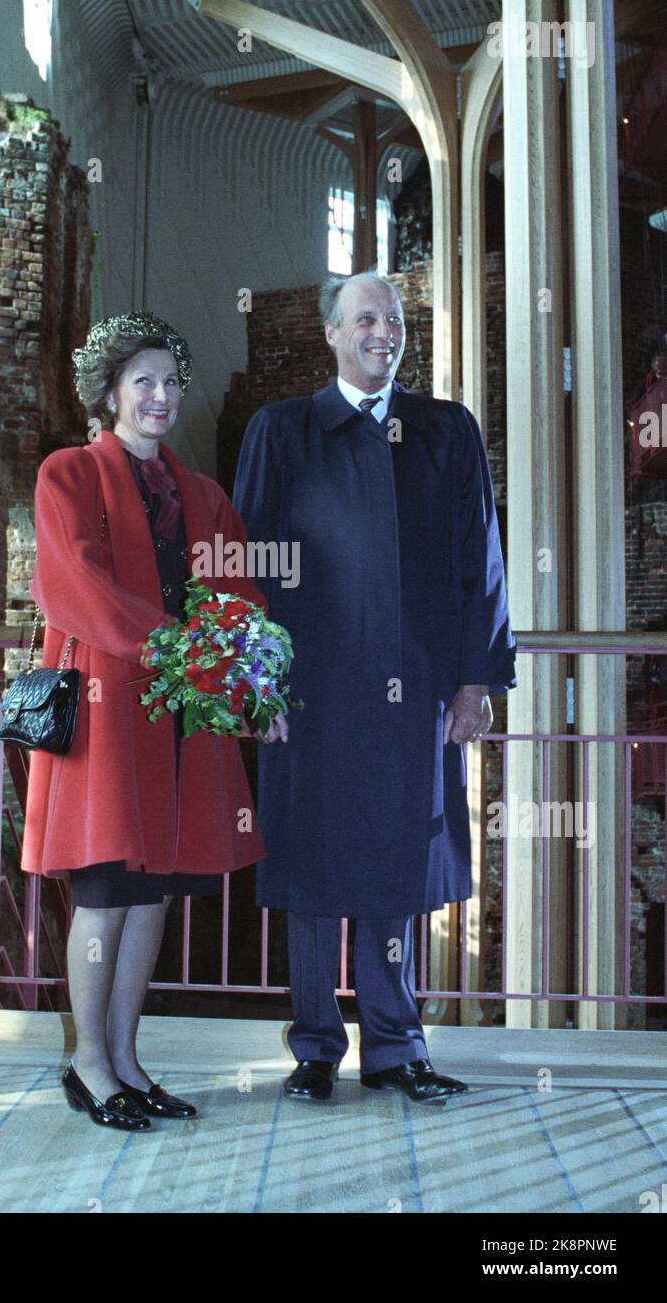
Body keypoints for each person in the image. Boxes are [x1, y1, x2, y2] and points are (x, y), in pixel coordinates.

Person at [232, 267, 517, 1104]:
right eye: (366, 320)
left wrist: (476, 678)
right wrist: (257, 685)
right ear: (331, 332)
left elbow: (482, 563)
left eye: (394, 321)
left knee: (400, 868)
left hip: (417, 694)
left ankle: (396, 1048)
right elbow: (246, 568)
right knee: (312, 872)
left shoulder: (447, 431)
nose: (383, 334)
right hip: (309, 693)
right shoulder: (282, 431)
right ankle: (315, 1047)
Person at [20, 311, 278, 1131]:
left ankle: (126, 1058)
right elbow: (76, 589)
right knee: (104, 891)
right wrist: (179, 651)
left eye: (170, 381)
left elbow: (239, 597)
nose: (161, 396)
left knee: (154, 894)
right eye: (144, 382)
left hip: (183, 720)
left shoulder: (202, 496)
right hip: (104, 711)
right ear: (109, 393)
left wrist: (252, 681)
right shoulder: (68, 475)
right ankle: (88, 1065)